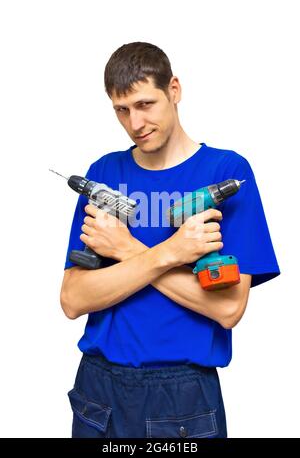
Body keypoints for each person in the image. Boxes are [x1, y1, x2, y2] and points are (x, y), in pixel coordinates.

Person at [60, 42, 280, 438]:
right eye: (121, 110)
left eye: (146, 104)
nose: (135, 123)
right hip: (98, 390)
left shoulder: (227, 170)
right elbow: (73, 299)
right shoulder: (103, 174)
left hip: (184, 399)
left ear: (174, 90)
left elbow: (228, 308)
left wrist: (127, 250)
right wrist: (169, 254)